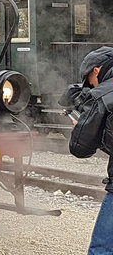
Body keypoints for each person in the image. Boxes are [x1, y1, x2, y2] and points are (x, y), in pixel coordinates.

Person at [69, 46, 113, 254]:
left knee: (102, 248)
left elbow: (80, 148)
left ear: (97, 70)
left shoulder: (102, 94)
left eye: (89, 79)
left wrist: (82, 124)